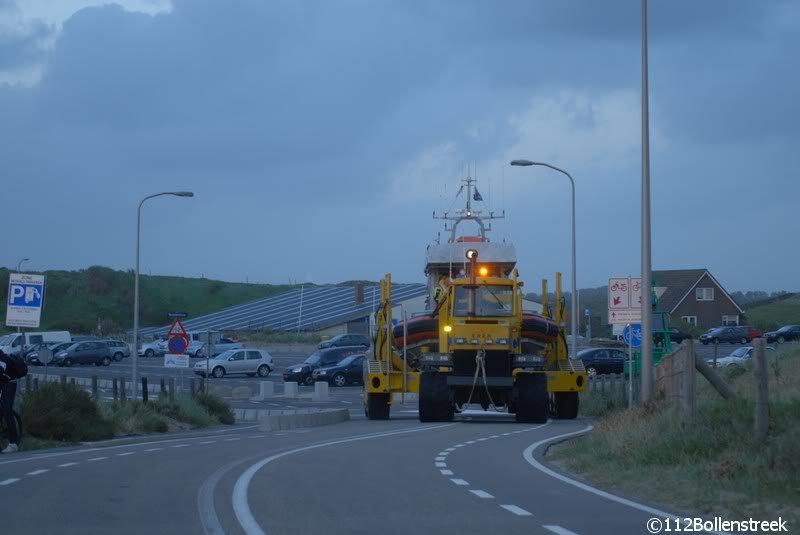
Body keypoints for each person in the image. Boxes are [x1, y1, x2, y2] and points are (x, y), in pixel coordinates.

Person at [0, 350, 20, 453]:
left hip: (9, 385)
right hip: (2, 383)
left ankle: (13, 444)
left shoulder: (3, 359)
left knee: (7, 411)